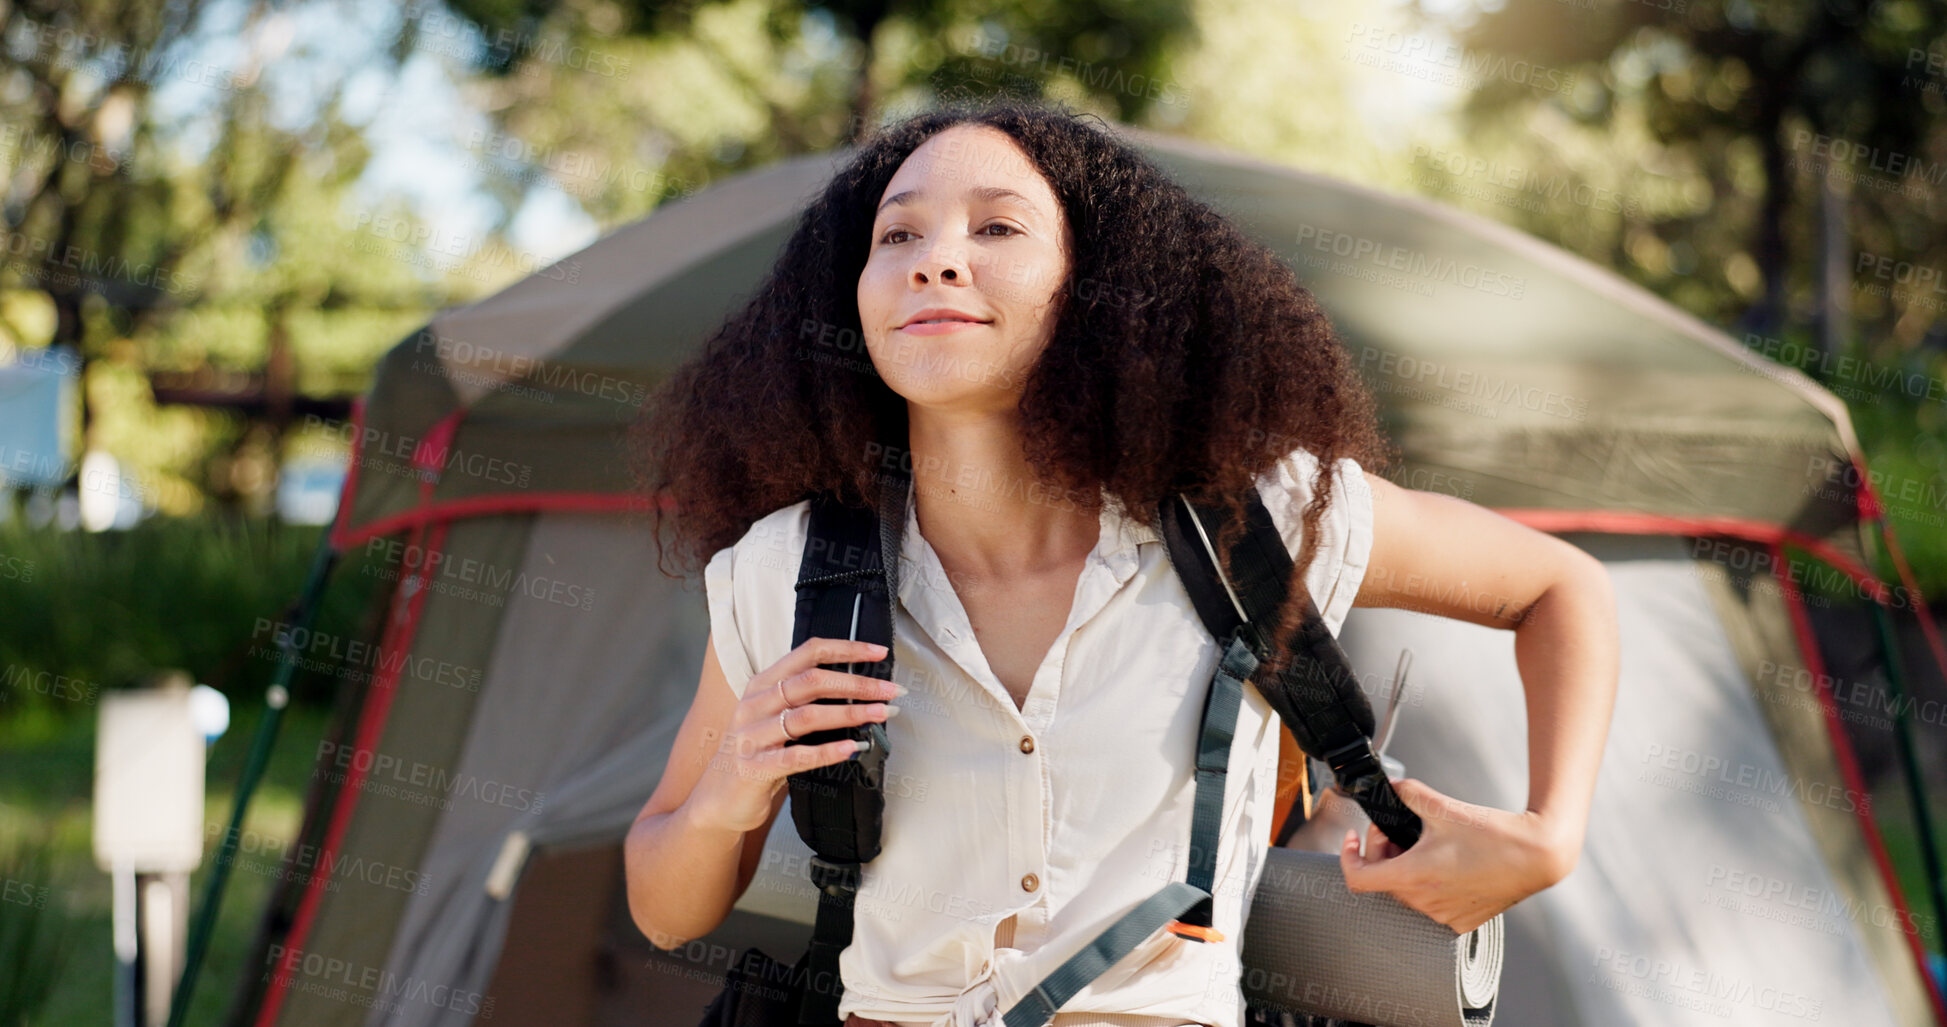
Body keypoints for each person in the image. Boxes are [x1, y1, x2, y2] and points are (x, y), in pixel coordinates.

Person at [624, 98, 1619, 1027]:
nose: (935, 261)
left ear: (1093, 290)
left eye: (997, 228)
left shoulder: (1254, 521)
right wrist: (728, 795)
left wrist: (1549, 834)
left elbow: (1559, 587)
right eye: (898, 235)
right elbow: (664, 908)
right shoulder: (783, 572)